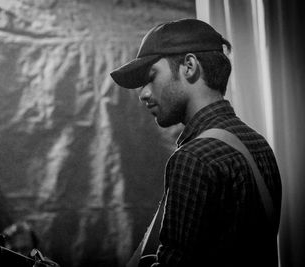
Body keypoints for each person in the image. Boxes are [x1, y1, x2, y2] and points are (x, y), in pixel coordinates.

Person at [110, 18, 282, 267]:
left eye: (151, 76)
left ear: (189, 66)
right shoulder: (258, 144)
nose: (143, 93)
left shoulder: (193, 158)